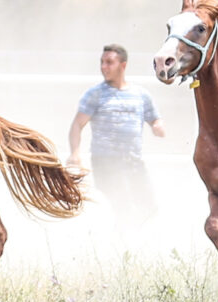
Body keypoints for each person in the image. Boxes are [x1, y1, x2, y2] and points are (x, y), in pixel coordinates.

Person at [67, 44, 166, 227]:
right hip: (106, 161)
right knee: (122, 206)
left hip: (133, 161)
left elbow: (155, 119)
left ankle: (141, 241)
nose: (104, 67)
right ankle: (122, 246)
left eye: (109, 62)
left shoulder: (140, 95)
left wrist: (158, 126)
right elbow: (77, 125)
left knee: (150, 206)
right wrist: (75, 153)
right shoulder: (95, 94)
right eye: (102, 62)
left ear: (123, 65)